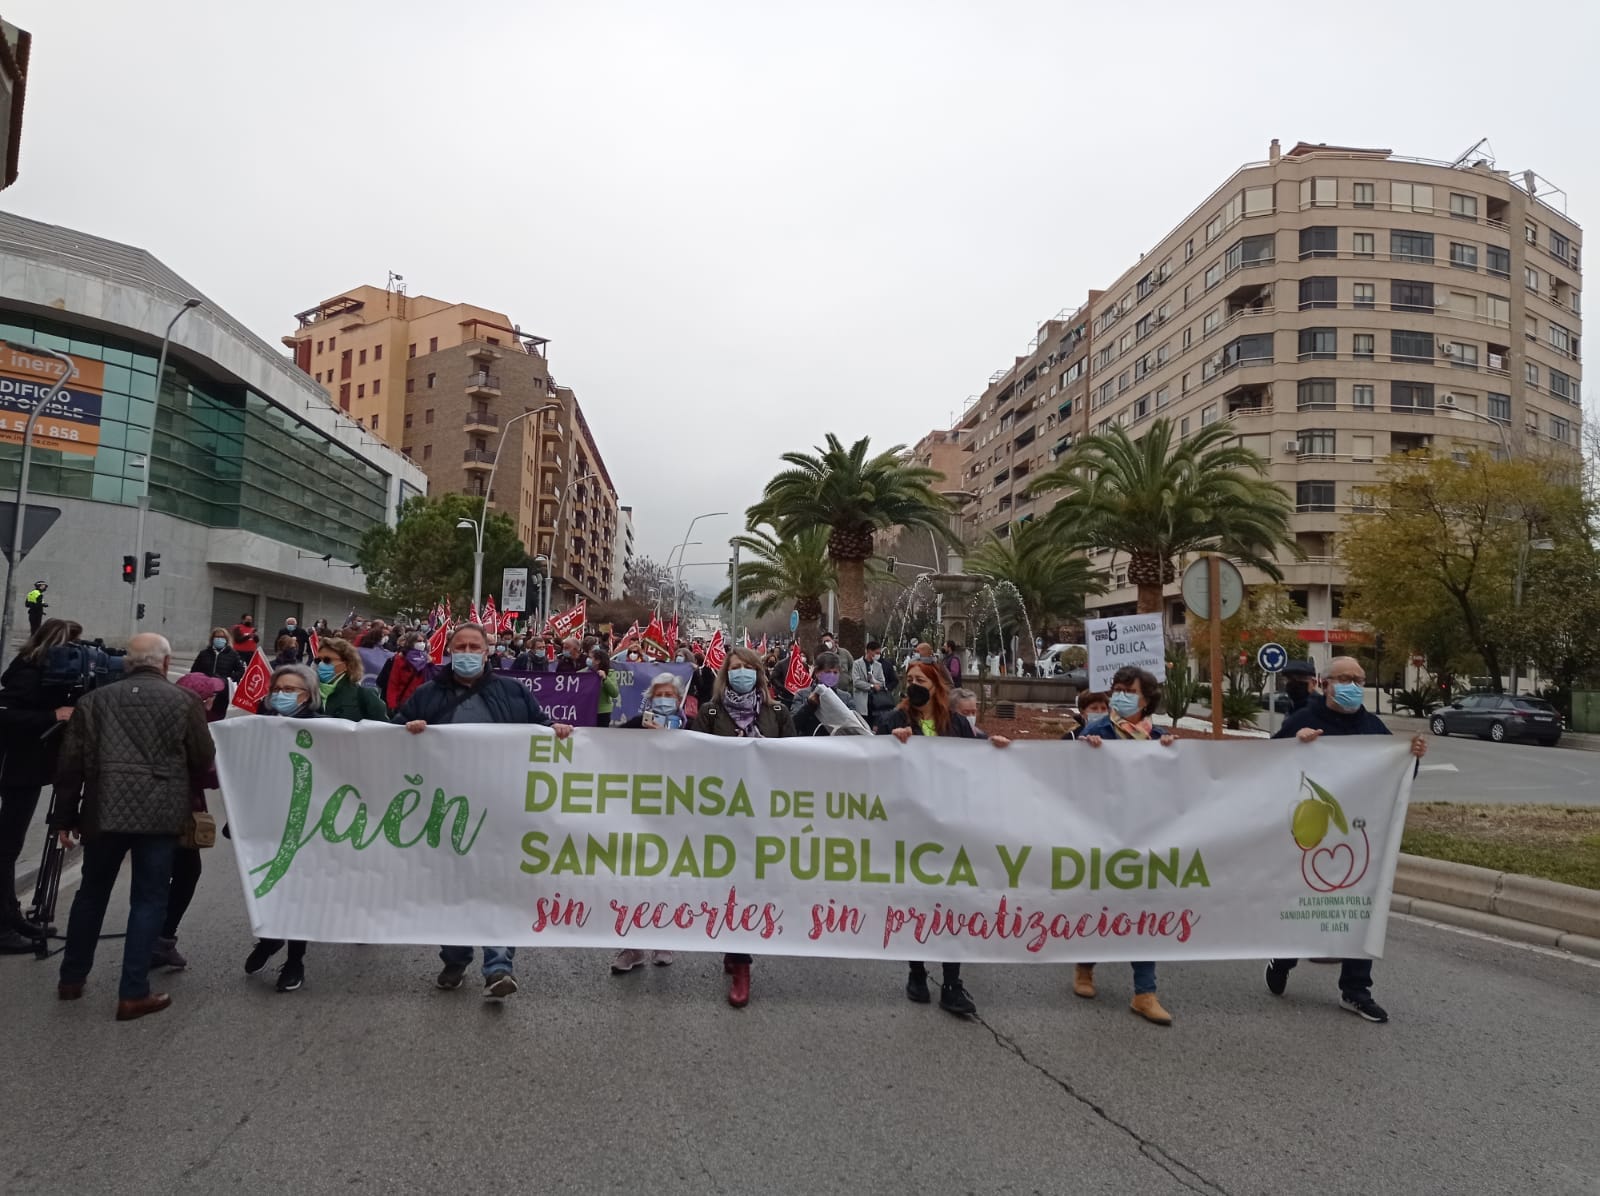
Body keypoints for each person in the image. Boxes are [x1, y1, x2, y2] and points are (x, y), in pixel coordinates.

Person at [397, 624, 573, 999]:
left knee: (499, 884)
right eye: (459, 645)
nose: (466, 651)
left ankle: (498, 967)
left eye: (473, 646)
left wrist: (554, 730)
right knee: (452, 886)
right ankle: (455, 957)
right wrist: (407, 730)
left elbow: (538, 728)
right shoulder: (427, 695)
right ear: (447, 650)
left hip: (502, 808)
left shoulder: (512, 692)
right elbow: (393, 735)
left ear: (487, 651)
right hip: (444, 809)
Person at [52, 634, 215, 1021]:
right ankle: (132, 993)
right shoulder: (185, 701)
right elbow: (202, 757)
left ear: (127, 663)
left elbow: (69, 764)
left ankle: (71, 979)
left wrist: (63, 819)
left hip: (103, 810)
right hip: (160, 816)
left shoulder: (93, 702)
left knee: (91, 893)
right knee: (148, 898)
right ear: (165, 662)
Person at [1266, 655, 1427, 1025]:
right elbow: (1268, 767)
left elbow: (1397, 776)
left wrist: (1411, 758)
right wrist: (1294, 745)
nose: (1353, 685)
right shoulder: (1302, 721)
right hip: (1308, 836)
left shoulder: (1373, 727)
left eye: (1358, 679)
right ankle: (1283, 957)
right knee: (1303, 903)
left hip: (1357, 836)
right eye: (1344, 678)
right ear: (1325, 683)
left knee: (1359, 909)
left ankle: (1356, 991)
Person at [882, 657, 1011, 1017]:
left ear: (937, 685)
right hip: (912, 826)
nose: (913, 684)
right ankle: (918, 972)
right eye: (909, 678)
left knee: (953, 900)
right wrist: (892, 741)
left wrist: (996, 750)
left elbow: (975, 762)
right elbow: (874, 762)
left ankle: (952, 982)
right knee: (918, 899)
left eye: (920, 678)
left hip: (952, 825)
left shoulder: (955, 724)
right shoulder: (895, 720)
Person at [690, 646, 796, 1006]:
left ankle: (739, 959)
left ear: (758, 674)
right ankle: (739, 956)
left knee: (751, 885)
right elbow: (693, 759)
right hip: (723, 813)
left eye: (747, 668)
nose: (741, 673)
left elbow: (799, 758)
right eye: (734, 668)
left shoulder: (778, 712)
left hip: (765, 812)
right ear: (725, 674)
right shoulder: (710, 712)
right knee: (730, 884)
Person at [1074, 666, 1177, 1025]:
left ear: (1146, 699)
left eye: (1127, 690)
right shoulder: (1096, 732)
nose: (1118, 695)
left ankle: (1144, 993)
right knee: (1100, 905)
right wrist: (1087, 752)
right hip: (1101, 836)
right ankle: (1085, 968)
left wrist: (1171, 757)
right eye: (1116, 689)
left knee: (1142, 913)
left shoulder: (1159, 739)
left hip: (1143, 839)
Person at [240, 664, 328, 992]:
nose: (282, 695)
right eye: (278, 689)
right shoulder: (257, 727)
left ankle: (294, 961)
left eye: (291, 690)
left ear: (309, 696)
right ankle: (270, 938)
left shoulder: (324, 727)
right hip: (265, 817)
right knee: (268, 884)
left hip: (305, 820)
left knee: (300, 891)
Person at [0, 618, 83, 950]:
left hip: (29, 769)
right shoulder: (27, 672)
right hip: (15, 770)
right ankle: (3, 929)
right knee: (6, 849)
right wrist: (54, 715)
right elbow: (4, 713)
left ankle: (11, 916)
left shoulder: (46, 675)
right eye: (70, 646)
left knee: (9, 847)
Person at [611, 673, 689, 973]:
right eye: (659, 694)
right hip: (636, 811)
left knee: (666, 878)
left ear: (679, 698)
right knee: (632, 879)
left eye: (670, 694)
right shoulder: (635, 723)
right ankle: (632, 948)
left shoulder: (689, 727)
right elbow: (604, 745)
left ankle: (663, 940)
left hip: (674, 813)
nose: (664, 699)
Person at [158, 673, 226, 972]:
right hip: (178, 812)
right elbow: (205, 772)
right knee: (183, 874)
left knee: (160, 876)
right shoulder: (193, 725)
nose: (214, 698)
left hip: (154, 810)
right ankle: (160, 939)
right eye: (211, 695)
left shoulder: (164, 715)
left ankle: (154, 937)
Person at [314, 637, 389, 721]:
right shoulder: (307, 693)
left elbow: (383, 731)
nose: (321, 664)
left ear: (347, 663)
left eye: (327, 660)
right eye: (318, 660)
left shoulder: (364, 695)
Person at [189, 626, 245, 721]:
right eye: (217, 637)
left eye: (222, 637)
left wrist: (229, 679)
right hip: (204, 691)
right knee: (202, 717)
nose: (219, 639)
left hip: (222, 692)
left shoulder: (232, 654)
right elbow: (194, 671)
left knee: (218, 717)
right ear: (212, 639)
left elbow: (240, 670)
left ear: (226, 640)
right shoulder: (204, 654)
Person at [375, 631, 437, 714]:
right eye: (418, 641)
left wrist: (431, 664)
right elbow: (393, 683)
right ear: (411, 642)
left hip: (420, 705)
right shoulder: (400, 659)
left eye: (423, 641)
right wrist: (392, 705)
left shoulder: (428, 661)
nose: (421, 643)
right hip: (402, 704)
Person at [792, 651, 849, 736]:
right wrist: (809, 705)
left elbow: (852, 726)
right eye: (828, 672)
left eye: (835, 672)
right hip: (810, 744)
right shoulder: (802, 695)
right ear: (817, 673)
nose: (832, 675)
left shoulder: (845, 697)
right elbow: (793, 724)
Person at [851, 640, 898, 727]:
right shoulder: (857, 664)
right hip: (862, 701)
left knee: (875, 726)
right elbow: (856, 682)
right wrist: (871, 686)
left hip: (875, 702)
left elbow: (882, 682)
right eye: (876, 653)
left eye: (879, 653)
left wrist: (874, 681)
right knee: (862, 725)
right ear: (869, 651)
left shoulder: (878, 665)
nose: (878, 655)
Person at [820, 632, 854, 704]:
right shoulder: (822, 656)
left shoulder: (845, 653)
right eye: (824, 642)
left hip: (845, 690)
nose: (826, 643)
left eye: (828, 640)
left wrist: (849, 678)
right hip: (829, 692)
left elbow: (852, 666)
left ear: (833, 641)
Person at [591, 647, 619, 727]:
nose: (589, 660)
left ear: (597, 661)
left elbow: (614, 693)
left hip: (602, 712)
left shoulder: (610, 673)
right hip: (588, 710)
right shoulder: (585, 672)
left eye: (591, 658)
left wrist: (605, 679)